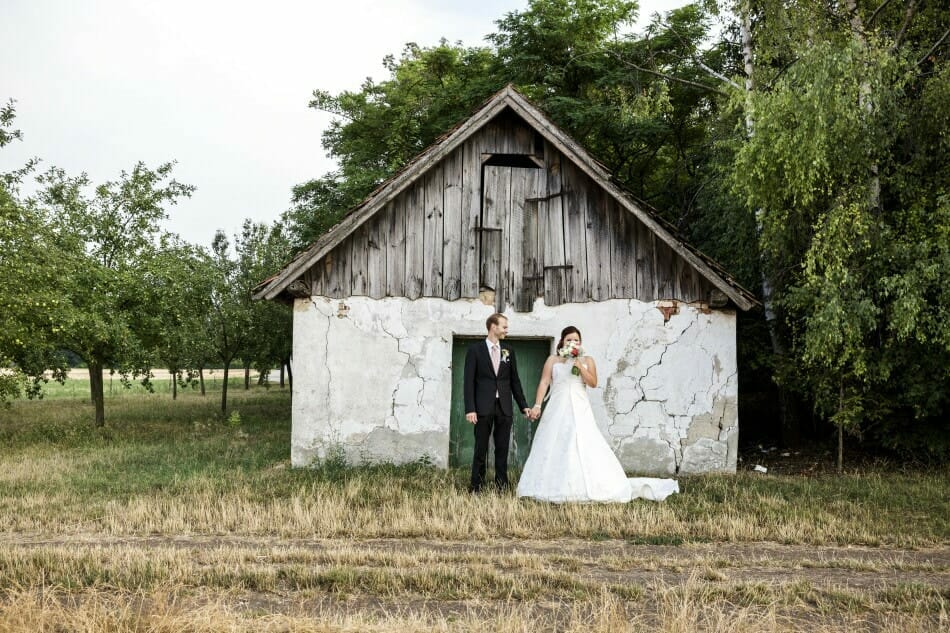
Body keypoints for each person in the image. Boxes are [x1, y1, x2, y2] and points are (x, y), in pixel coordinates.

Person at [517, 326, 679, 503]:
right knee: (553, 441)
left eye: (576, 340)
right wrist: (538, 405)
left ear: (581, 343)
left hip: (579, 406)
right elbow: (544, 382)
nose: (573, 343)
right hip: (557, 405)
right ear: (562, 341)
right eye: (569, 339)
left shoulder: (587, 360)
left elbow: (593, 383)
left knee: (581, 441)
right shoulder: (553, 360)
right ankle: (547, 485)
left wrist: (579, 364)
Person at [463, 313, 533, 493]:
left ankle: (501, 485)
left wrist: (523, 405)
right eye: (504, 327)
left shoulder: (508, 351)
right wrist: (470, 408)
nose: (506, 330)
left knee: (502, 448)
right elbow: (468, 382)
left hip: (504, 407)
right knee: (481, 448)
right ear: (493, 327)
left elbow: (514, 381)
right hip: (482, 407)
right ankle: (476, 485)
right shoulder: (475, 350)